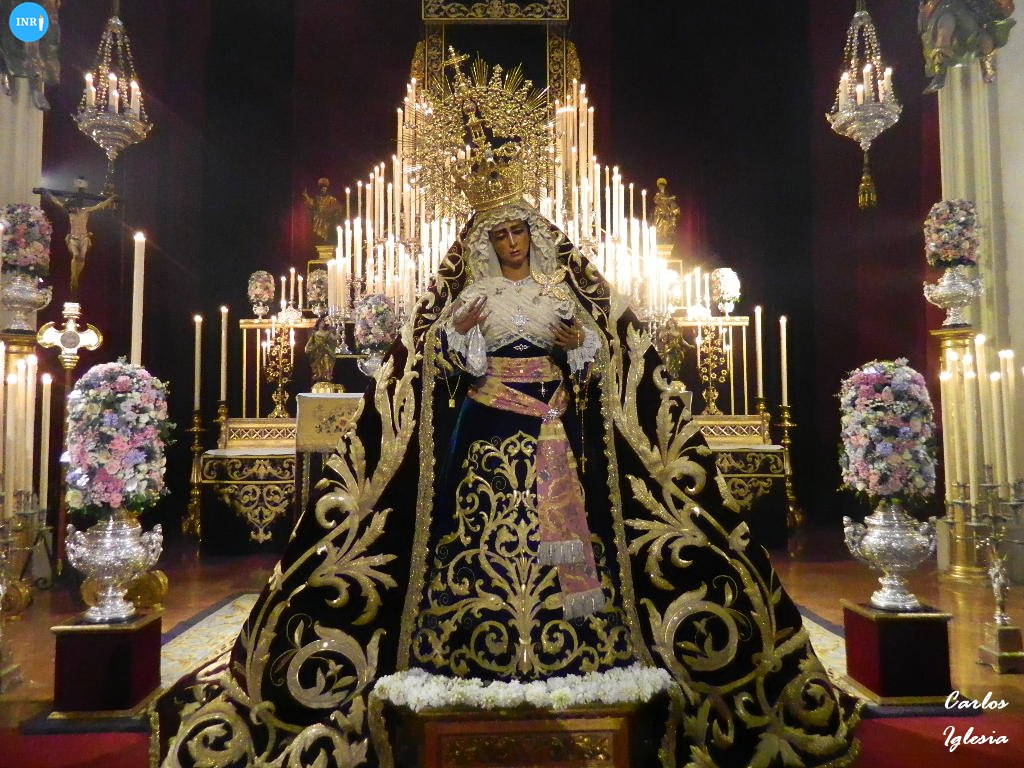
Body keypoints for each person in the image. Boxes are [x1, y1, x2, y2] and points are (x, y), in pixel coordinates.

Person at [156, 54, 858, 768]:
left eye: (520, 234)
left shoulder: (559, 294)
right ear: (488, 247)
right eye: (501, 237)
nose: (513, 243)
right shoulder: (471, 299)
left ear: (535, 239)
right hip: (490, 426)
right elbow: (442, 365)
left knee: (567, 527)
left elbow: (596, 359)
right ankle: (470, 637)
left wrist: (577, 347)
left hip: (552, 424)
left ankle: (576, 638)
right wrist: (462, 338)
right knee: (477, 527)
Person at [41, 180, 117, 294]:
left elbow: (99, 206)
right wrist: (48, 194)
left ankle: (77, 277)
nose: (72, 208)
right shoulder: (70, 213)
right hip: (73, 238)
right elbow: (57, 203)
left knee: (82, 258)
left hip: (84, 238)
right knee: (76, 256)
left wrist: (110, 199)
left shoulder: (85, 211)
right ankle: (73, 278)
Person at [302, 177, 343, 245]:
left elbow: (338, 207)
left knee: (326, 235)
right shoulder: (317, 198)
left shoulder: (331, 199)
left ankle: (325, 240)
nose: (323, 190)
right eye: (322, 189)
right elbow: (312, 205)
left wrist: (334, 215)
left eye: (325, 189)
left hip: (327, 220)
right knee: (319, 236)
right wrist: (306, 196)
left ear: (326, 189)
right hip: (318, 220)